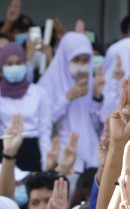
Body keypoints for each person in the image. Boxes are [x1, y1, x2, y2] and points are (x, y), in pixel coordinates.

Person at [0, 42, 50, 170]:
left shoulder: (38, 92)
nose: (14, 67)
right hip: (4, 148)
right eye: (9, 64)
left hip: (30, 151)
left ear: (25, 64)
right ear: (2, 66)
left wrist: (46, 163)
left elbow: (45, 130)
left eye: (18, 63)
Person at [38, 32, 100, 171]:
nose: (81, 65)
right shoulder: (47, 84)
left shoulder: (91, 82)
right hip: (62, 157)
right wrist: (67, 98)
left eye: (85, 60)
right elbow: (45, 121)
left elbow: (95, 123)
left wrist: (97, 97)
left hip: (91, 156)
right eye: (76, 59)